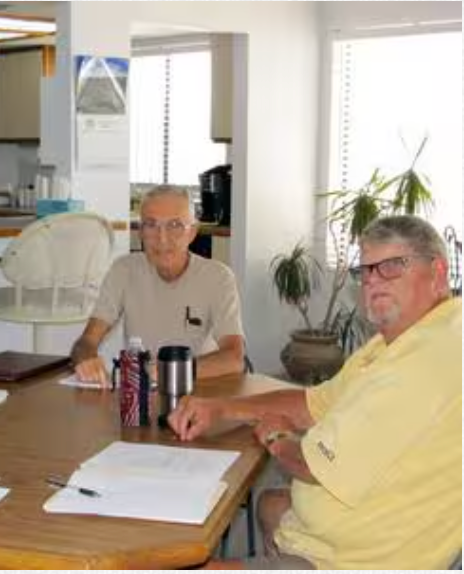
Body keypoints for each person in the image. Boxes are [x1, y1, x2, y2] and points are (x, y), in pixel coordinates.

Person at [169, 215, 461, 570]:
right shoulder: (402, 340)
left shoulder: (423, 360)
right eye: (366, 270)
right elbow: (311, 404)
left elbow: (311, 466)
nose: (373, 281)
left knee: (187, 561)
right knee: (270, 502)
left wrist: (277, 436)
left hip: (354, 561)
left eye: (392, 266)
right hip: (352, 528)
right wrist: (221, 408)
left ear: (438, 271)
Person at [71, 185, 245, 386]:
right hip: (141, 400)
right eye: (151, 225)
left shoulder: (218, 277)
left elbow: (234, 358)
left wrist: (169, 371)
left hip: (200, 393)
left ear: (193, 232)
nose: (162, 238)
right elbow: (86, 342)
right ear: (140, 232)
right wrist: (85, 358)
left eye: (175, 225)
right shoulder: (124, 270)